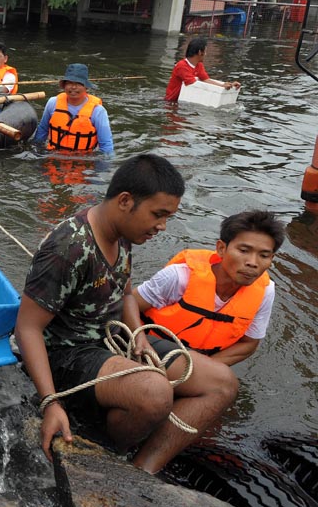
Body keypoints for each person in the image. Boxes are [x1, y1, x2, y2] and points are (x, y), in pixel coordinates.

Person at [14, 154, 239, 474]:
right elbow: (27, 328)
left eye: (168, 217)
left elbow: (126, 293)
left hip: (113, 339)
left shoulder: (123, 234)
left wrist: (139, 336)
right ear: (125, 201)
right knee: (155, 393)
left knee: (222, 382)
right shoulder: (68, 248)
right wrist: (50, 401)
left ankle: (142, 469)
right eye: (158, 214)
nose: (161, 226)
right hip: (68, 353)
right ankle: (107, 450)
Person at [136, 210, 284, 366]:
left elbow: (249, 344)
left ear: (271, 258)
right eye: (243, 251)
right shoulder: (179, 277)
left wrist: (202, 368)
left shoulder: (265, 291)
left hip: (196, 362)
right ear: (221, 248)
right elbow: (128, 304)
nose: (253, 263)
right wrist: (140, 342)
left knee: (223, 380)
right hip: (147, 347)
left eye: (264, 255)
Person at [34, 63, 114, 154]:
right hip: (53, 156)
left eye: (78, 83)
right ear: (64, 85)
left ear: (86, 87)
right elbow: (42, 130)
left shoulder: (98, 111)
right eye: (69, 83)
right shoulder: (53, 103)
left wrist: (104, 162)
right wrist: (37, 153)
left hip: (84, 159)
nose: (73, 87)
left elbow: (106, 145)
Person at [164, 37, 240, 103]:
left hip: (182, 100)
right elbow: (194, 83)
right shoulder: (182, 66)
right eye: (205, 51)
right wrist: (222, 86)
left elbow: (206, 80)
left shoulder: (199, 65)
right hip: (171, 101)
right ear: (200, 52)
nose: (206, 54)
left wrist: (225, 85)